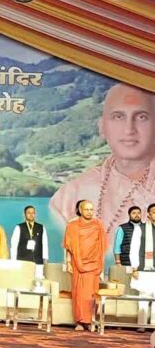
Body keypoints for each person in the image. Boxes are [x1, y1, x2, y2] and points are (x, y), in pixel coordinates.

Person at [50, 84, 155, 245]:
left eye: (141, 117)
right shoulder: (69, 197)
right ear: (102, 127)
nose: (129, 129)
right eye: (118, 117)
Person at [63, 200, 107, 331]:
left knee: (91, 294)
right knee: (79, 294)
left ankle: (90, 320)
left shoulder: (98, 225)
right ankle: (79, 321)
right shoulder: (73, 225)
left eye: (91, 209)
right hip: (78, 263)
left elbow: (101, 246)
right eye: (86, 209)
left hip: (94, 264)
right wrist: (68, 262)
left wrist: (101, 264)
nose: (89, 212)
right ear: (80, 210)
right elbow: (69, 247)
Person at [131, 204, 155, 328]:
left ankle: (154, 324)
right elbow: (134, 248)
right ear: (149, 214)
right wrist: (134, 267)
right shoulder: (140, 228)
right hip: (144, 269)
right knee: (144, 297)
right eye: (154, 212)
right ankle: (142, 325)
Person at [10, 205, 49, 278]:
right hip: (23, 260)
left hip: (38, 261)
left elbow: (45, 244)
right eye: (29, 213)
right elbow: (14, 245)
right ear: (24, 214)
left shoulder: (41, 227)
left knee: (38, 281)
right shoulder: (19, 227)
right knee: (24, 280)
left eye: (33, 213)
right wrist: (13, 261)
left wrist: (45, 259)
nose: (31, 215)